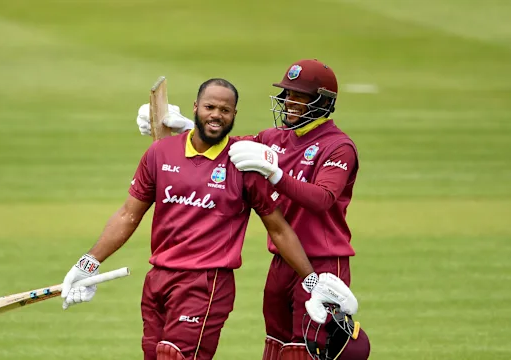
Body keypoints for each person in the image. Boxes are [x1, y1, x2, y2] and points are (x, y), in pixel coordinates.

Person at [62, 78, 359, 360]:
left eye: (225, 110)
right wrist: (87, 263)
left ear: (234, 114)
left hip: (207, 282)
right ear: (195, 107)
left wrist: (310, 280)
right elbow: (128, 213)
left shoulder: (246, 165)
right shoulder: (160, 153)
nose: (217, 115)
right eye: (209, 108)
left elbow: (280, 227)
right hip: (158, 280)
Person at [136, 60, 369, 359]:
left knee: (308, 349)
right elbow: (226, 149)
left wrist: (276, 176)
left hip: (324, 263)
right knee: (275, 346)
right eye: (288, 95)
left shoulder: (338, 147)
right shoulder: (273, 138)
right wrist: (186, 127)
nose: (289, 103)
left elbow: (323, 199)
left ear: (322, 102)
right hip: (283, 259)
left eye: (299, 97)